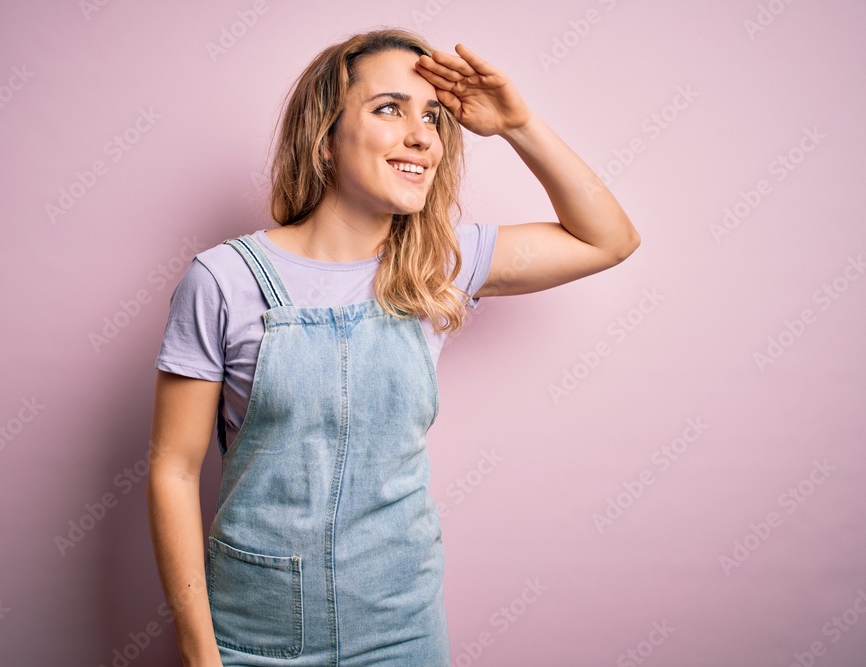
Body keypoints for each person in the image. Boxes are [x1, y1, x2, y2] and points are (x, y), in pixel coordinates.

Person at [147, 27, 639, 667]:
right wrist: (199, 656)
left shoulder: (440, 265)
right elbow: (173, 471)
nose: (421, 136)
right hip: (253, 633)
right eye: (389, 109)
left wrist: (517, 123)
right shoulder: (223, 280)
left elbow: (610, 239)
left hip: (399, 629)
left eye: (432, 117)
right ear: (325, 133)